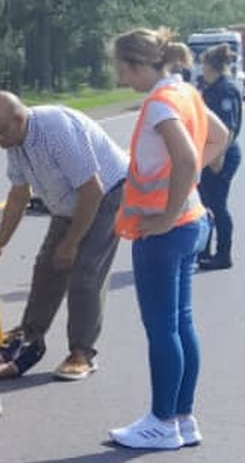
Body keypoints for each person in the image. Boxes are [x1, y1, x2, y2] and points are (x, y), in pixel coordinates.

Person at [107, 28, 229, 450]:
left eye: (122, 69)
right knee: (180, 323)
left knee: (162, 328)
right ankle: (182, 417)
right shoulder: (185, 92)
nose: (121, 79)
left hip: (166, 229)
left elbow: (188, 155)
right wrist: (186, 189)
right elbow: (220, 138)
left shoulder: (160, 104)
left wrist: (168, 210)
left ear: (139, 64)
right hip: (190, 222)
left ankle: (161, 422)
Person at [0, 91, 128, 381]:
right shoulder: (16, 143)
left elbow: (92, 191)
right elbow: (19, 196)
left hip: (107, 194)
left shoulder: (55, 131)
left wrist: (71, 243)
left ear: (19, 120)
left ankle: (82, 353)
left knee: (84, 273)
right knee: (47, 265)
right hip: (70, 201)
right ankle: (30, 333)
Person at [196, 43, 241, 270]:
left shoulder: (226, 90)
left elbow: (227, 129)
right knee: (204, 203)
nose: (200, 69)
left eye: (203, 64)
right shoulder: (209, 88)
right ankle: (203, 250)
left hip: (222, 155)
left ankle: (223, 254)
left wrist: (217, 160)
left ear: (210, 65)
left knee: (217, 204)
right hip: (209, 152)